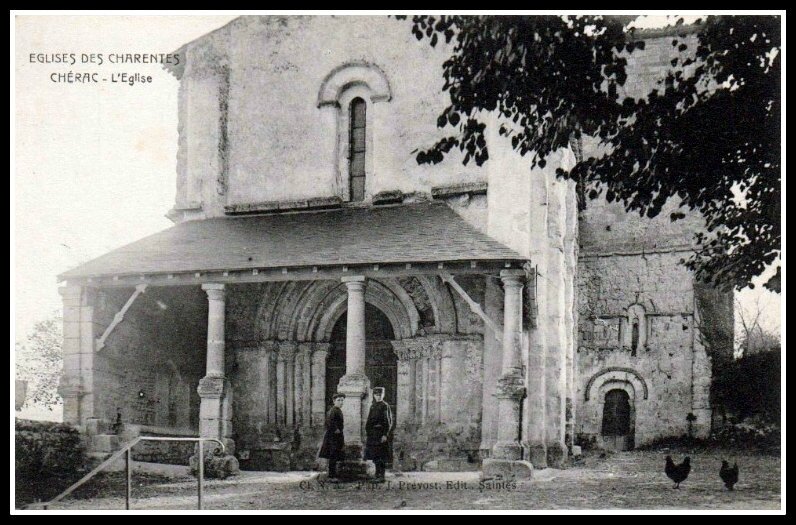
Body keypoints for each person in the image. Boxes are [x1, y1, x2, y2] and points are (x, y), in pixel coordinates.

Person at [364, 386, 393, 482]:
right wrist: (368, 431)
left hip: (380, 434)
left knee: (381, 456)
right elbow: (369, 420)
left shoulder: (385, 406)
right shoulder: (373, 406)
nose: (378, 396)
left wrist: (385, 434)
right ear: (373, 395)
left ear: (383, 395)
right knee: (375, 455)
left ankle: (381, 476)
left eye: (380, 395)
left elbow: (388, 421)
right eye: (376, 395)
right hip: (373, 435)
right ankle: (377, 475)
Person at [318, 392, 345, 481]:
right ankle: (331, 476)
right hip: (333, 437)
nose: (341, 402)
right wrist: (336, 429)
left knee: (334, 455)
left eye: (342, 400)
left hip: (336, 436)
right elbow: (330, 422)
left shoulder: (338, 410)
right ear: (334, 401)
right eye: (338, 400)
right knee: (333, 455)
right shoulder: (333, 410)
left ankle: (332, 474)